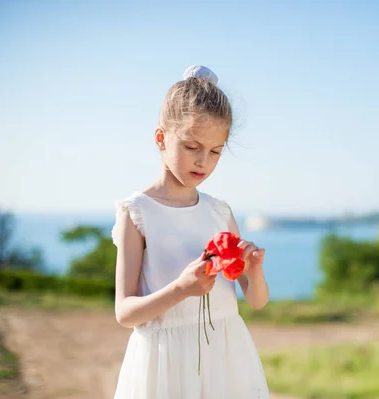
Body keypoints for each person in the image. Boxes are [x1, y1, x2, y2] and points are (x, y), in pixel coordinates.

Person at [111, 65, 270, 398]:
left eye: (215, 152)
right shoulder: (137, 212)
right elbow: (125, 313)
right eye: (191, 147)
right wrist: (181, 289)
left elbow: (256, 301)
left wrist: (253, 272)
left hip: (224, 360)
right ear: (161, 139)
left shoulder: (219, 212)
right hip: (165, 365)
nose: (203, 162)